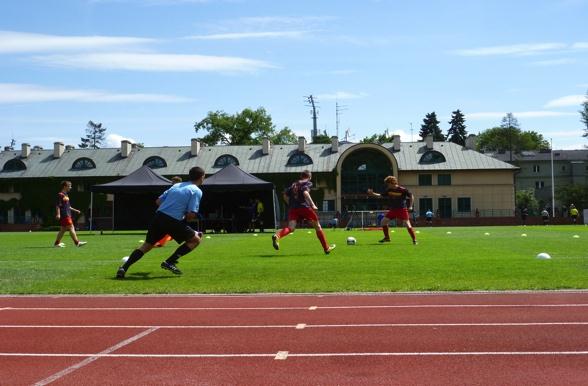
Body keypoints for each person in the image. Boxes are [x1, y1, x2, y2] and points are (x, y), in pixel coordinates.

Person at [116, 167, 205, 279]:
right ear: (202, 177)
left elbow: (158, 201)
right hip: (172, 220)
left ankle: (124, 268)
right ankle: (170, 262)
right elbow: (191, 215)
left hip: (158, 217)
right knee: (195, 240)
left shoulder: (176, 185)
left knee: (146, 245)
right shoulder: (196, 191)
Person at [272, 170, 335, 254]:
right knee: (318, 227)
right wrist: (312, 205)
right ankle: (326, 248)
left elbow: (285, 195)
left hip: (293, 209)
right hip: (304, 207)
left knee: (291, 228)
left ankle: (277, 236)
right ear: (309, 177)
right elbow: (305, 193)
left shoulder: (294, 184)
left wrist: (290, 204)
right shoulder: (307, 183)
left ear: (301, 176)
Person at [367, 175, 417, 245]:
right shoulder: (389, 190)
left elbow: (411, 196)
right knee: (383, 222)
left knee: (408, 225)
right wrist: (372, 194)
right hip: (393, 210)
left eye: (388, 184)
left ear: (392, 183)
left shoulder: (402, 189)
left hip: (402, 209)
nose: (387, 185)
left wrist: (411, 206)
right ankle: (387, 238)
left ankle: (414, 240)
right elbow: (381, 195)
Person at [53, 181, 86, 247]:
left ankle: (56, 243)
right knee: (71, 227)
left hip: (68, 214)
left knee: (63, 229)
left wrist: (76, 210)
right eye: (69, 186)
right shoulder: (60, 195)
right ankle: (77, 243)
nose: (70, 187)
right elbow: (58, 205)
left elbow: (69, 206)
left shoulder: (66, 195)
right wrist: (58, 214)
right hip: (64, 215)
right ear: (65, 187)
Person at [154, 176, 183, 247]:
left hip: (168, 214)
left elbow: (158, 201)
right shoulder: (185, 190)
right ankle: (197, 234)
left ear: (176, 182)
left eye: (173, 182)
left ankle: (161, 243)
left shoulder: (171, 190)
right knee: (172, 229)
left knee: (165, 228)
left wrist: (164, 207)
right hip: (179, 213)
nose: (172, 183)